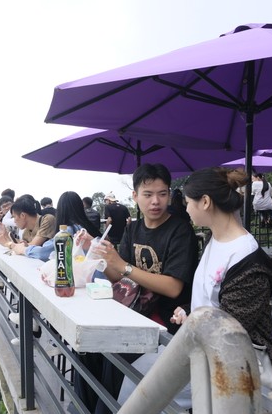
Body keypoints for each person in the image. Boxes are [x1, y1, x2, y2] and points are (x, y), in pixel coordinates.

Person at [76, 164, 199, 413]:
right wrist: (102, 255)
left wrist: (123, 266)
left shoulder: (180, 231)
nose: (156, 201)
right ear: (135, 196)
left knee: (113, 357)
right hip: (134, 314)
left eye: (162, 194)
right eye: (148, 194)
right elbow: (117, 278)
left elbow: (174, 287)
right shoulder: (133, 229)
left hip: (167, 322)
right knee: (87, 349)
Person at [171, 167, 272, 389]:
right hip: (206, 357)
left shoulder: (247, 258)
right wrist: (189, 310)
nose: (186, 208)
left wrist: (191, 323)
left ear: (205, 202)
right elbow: (213, 298)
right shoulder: (213, 239)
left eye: (188, 202)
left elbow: (230, 328)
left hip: (233, 373)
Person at [12, 191, 101, 260]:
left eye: (14, 216)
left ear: (60, 210)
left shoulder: (69, 231)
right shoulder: (87, 228)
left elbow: (44, 252)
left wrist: (23, 249)